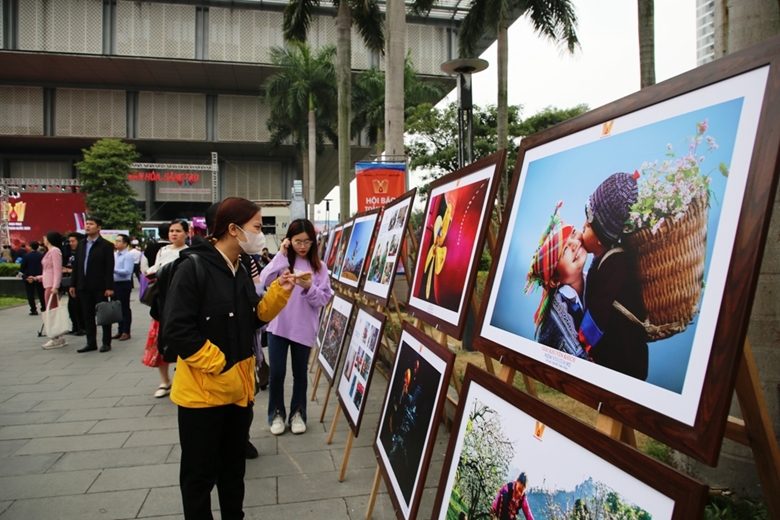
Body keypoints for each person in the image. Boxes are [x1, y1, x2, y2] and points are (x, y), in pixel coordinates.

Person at [162, 197, 295, 519]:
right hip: (202, 397)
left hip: (238, 392)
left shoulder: (239, 267)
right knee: (199, 475)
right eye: (257, 227)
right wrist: (220, 364)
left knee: (233, 471)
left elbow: (253, 318)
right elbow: (177, 330)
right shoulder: (192, 267)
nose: (260, 234)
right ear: (234, 229)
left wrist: (280, 291)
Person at [260, 218, 332, 435]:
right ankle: (276, 414)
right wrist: (281, 255)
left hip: (304, 327)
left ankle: (298, 413)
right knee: (277, 373)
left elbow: (324, 299)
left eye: (307, 241)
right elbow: (264, 280)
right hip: (278, 326)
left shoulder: (319, 268)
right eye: (297, 241)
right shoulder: (282, 262)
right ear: (289, 241)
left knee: (300, 374)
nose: (302, 246)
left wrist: (309, 287)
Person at [579, 172, 649, 380]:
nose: (582, 228)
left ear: (602, 237)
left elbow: (599, 307)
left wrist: (583, 340)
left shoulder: (616, 263)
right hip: (612, 349)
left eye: (588, 226)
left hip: (625, 356)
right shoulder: (603, 260)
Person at [525, 202, 589, 360]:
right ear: (554, 279)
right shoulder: (557, 316)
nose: (575, 244)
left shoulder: (597, 277)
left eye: (573, 233)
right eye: (565, 249)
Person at [143, 219, 189, 398]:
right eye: (171, 231)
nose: (174, 234)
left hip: (180, 301)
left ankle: (182, 380)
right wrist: (151, 273)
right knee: (159, 341)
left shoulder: (189, 253)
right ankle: (164, 380)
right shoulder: (162, 251)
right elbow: (155, 267)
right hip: (161, 301)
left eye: (178, 231)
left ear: (186, 233)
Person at [69, 216, 115, 353]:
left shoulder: (106, 245)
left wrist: (109, 287)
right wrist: (73, 284)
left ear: (99, 228)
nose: (88, 226)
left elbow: (109, 267)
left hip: (100, 286)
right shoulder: (82, 244)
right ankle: (91, 343)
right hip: (83, 286)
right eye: (87, 224)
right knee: (87, 315)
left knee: (103, 315)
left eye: (91, 224)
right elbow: (77, 266)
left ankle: (106, 342)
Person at [33, 232, 67, 349]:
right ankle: (58, 337)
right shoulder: (50, 251)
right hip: (48, 284)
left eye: (45, 237)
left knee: (52, 312)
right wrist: (37, 278)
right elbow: (48, 271)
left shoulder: (55, 251)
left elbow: (57, 270)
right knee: (52, 311)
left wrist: (55, 286)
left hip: (51, 286)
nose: (43, 238)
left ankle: (57, 338)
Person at [112, 234, 134, 341]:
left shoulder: (128, 255)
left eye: (119, 241)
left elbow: (127, 271)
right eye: (116, 241)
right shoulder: (114, 254)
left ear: (125, 243)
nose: (116, 243)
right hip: (114, 284)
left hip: (123, 284)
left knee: (124, 308)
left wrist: (113, 270)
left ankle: (126, 331)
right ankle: (120, 330)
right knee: (116, 308)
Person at [63, 233, 86, 336]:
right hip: (72, 282)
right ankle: (75, 326)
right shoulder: (72, 253)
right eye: (69, 241)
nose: (71, 243)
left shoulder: (83, 253)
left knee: (79, 307)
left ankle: (83, 327)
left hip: (81, 284)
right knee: (71, 307)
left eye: (73, 241)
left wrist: (69, 270)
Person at [20, 241, 45, 315]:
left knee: (30, 294)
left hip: (29, 277)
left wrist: (23, 275)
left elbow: (23, 267)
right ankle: (44, 307)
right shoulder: (41, 255)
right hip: (39, 276)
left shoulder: (26, 255)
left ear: (30, 246)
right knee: (41, 293)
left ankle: (33, 309)